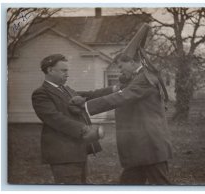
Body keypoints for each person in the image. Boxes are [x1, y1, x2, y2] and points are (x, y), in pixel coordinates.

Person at [70, 24, 173, 185]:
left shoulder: (144, 80)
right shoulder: (136, 79)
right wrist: (84, 95)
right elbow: (111, 90)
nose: (119, 71)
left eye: (121, 66)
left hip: (150, 147)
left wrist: (86, 106)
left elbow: (121, 97)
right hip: (141, 148)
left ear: (132, 62)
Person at [31, 54, 118, 184]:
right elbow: (55, 119)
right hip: (62, 154)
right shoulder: (41, 93)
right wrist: (84, 129)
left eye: (67, 71)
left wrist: (114, 88)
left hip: (77, 151)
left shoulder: (65, 89)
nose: (67, 74)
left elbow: (89, 95)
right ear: (49, 70)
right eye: (63, 70)